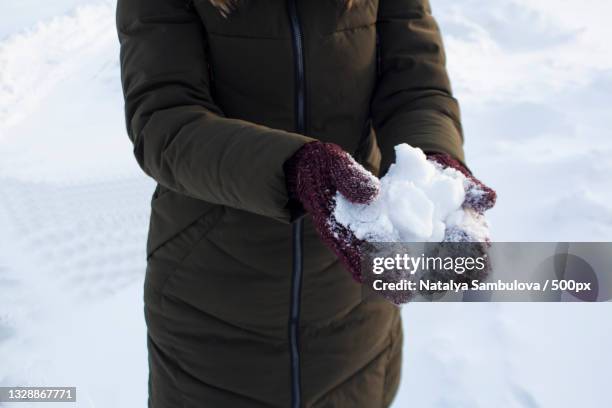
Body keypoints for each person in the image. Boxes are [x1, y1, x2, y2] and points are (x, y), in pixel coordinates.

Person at [116, 0, 493, 406]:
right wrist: (293, 168)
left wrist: (435, 163)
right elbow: (163, 120)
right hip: (210, 312)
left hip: (354, 306)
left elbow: (415, 86)